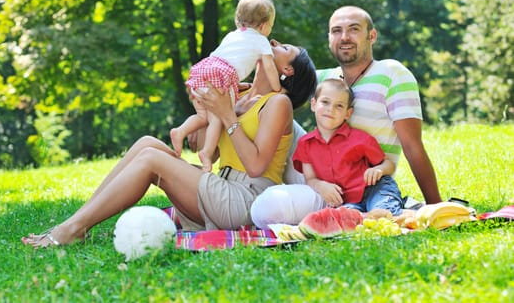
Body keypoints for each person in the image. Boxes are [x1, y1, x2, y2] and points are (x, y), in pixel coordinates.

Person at [21, 39, 317, 247]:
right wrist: (205, 109)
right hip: (222, 187)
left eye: (284, 48)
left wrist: (227, 116)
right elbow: (208, 152)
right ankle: (79, 220)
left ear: (287, 71)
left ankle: (73, 229)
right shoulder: (238, 94)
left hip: (246, 201)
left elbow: (255, 166)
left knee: (153, 161)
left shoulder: (278, 104)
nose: (273, 42)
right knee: (146, 144)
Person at [251, 5, 442, 229]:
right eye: (336, 31)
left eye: (353, 29)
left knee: (269, 206)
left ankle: (370, 212)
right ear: (329, 38)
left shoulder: (392, 73)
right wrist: (249, 85)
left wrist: (436, 206)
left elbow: (412, 146)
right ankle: (246, 188)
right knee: (279, 115)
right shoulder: (326, 79)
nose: (344, 37)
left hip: (361, 186)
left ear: (372, 36)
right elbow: (284, 71)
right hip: (318, 180)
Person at [171, 0, 281, 173]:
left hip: (202, 71)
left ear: (239, 21)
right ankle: (206, 153)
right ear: (263, 26)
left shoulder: (232, 35)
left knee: (203, 117)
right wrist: (276, 88)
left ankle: (180, 131)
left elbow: (226, 58)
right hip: (221, 75)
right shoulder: (261, 41)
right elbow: (268, 67)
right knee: (217, 119)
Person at [292, 78, 403, 215]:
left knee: (383, 211)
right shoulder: (305, 143)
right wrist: (321, 186)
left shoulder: (360, 139)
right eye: (325, 102)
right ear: (313, 104)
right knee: (346, 219)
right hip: (346, 201)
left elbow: (389, 164)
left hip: (374, 189)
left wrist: (379, 170)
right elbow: (310, 179)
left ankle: (391, 211)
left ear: (348, 113)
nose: (330, 109)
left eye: (339, 106)